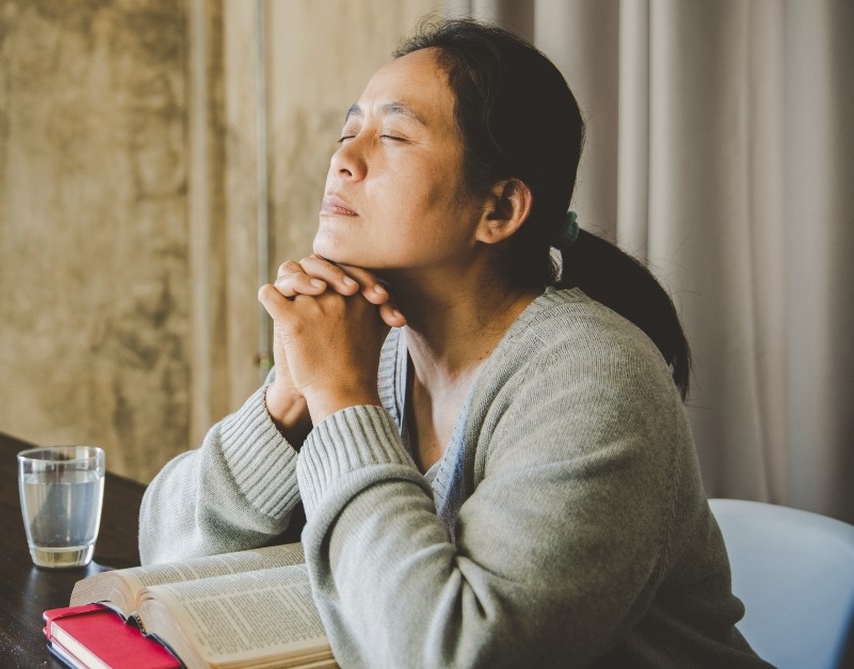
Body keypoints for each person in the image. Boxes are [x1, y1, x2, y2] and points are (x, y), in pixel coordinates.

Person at [138, 18, 768, 668]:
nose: (344, 160)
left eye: (393, 136)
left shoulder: (595, 379)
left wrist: (341, 400)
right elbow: (162, 547)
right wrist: (288, 398)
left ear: (498, 209)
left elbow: (456, 653)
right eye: (348, 131)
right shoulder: (373, 344)